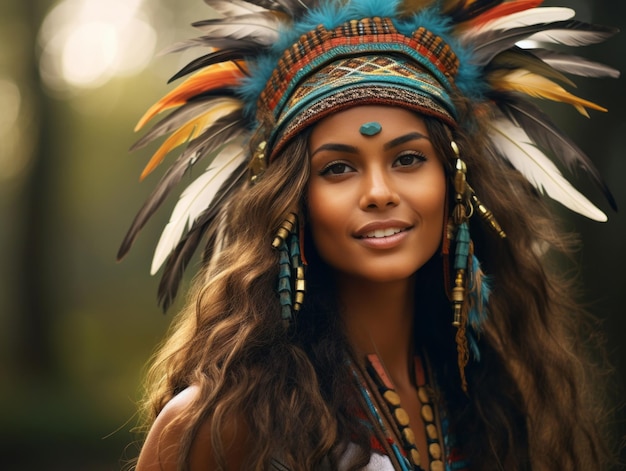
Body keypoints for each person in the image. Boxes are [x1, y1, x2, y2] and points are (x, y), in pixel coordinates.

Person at [119, 1, 620, 470]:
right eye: (338, 168)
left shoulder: (501, 402)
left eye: (408, 159)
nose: (379, 192)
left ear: (455, 183)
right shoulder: (221, 422)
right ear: (291, 201)